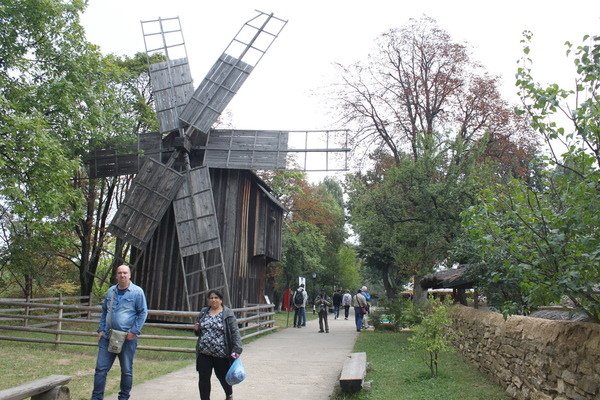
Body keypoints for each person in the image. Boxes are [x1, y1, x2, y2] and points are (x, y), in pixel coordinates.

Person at [92, 264, 148, 400]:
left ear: (129, 275)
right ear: (116, 275)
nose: (122, 275)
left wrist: (133, 331)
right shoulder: (111, 291)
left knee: (126, 371)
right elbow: (105, 310)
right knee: (100, 370)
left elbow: (143, 312)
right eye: (119, 273)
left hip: (127, 338)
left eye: (125, 273)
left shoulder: (137, 292)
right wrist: (101, 329)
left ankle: (123, 398)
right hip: (108, 336)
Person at [194, 289, 243, 400]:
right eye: (211, 298)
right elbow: (198, 330)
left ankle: (228, 395)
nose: (213, 300)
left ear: (221, 300)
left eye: (216, 298)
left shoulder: (227, 313)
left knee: (223, 377)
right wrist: (196, 329)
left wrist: (237, 349)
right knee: (203, 378)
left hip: (221, 354)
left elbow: (235, 332)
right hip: (204, 352)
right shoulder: (203, 312)